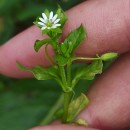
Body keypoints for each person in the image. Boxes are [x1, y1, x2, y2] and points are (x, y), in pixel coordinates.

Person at [0, 0, 130, 130]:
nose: (49, 23)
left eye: (50, 23)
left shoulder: (62, 49)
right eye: (48, 23)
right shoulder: (52, 43)